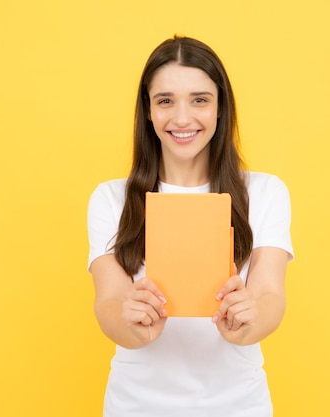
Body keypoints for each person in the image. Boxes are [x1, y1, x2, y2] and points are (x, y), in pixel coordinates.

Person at [87, 35, 294, 417]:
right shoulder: (110, 199)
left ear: (220, 109)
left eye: (200, 99)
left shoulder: (265, 192)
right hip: (137, 405)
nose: (182, 118)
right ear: (148, 111)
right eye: (165, 101)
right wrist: (132, 324)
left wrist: (247, 323)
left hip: (238, 404)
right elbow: (108, 304)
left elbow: (270, 296)